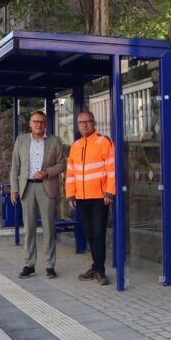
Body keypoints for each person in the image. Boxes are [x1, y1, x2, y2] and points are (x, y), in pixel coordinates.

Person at [10, 110, 66, 279]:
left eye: (41, 122)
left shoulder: (54, 141)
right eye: (35, 121)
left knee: (49, 228)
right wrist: (14, 189)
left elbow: (62, 164)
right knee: (29, 229)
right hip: (27, 188)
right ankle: (29, 265)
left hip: (46, 188)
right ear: (30, 123)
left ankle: (50, 266)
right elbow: (15, 167)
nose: (38, 124)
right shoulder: (20, 141)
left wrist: (47, 172)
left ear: (46, 124)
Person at [66, 111, 115, 286]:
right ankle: (95, 267)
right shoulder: (75, 145)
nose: (85, 125)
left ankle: (100, 270)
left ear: (94, 123)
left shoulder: (104, 142)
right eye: (81, 123)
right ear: (78, 125)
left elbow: (112, 168)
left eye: (88, 122)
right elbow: (70, 173)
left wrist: (110, 191)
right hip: (81, 198)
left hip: (100, 198)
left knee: (99, 233)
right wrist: (70, 194)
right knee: (89, 233)